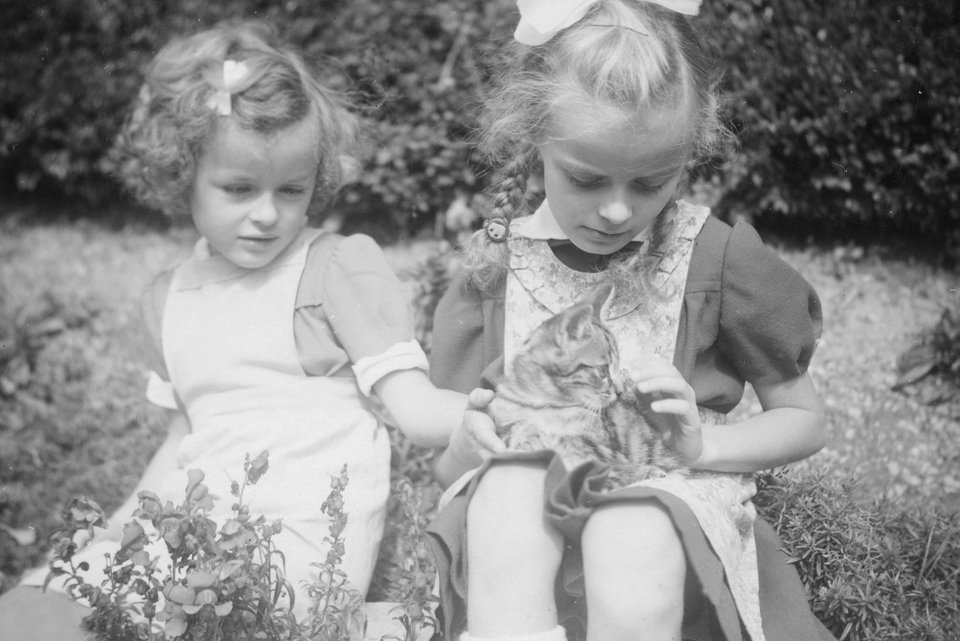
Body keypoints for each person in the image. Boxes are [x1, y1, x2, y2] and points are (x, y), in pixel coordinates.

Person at [0, 20, 470, 638]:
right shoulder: (169, 298)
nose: (268, 214)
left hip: (292, 546)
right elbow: (182, 436)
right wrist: (116, 528)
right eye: (239, 188)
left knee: (197, 620)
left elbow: (415, 409)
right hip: (189, 530)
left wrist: (511, 409)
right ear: (182, 172)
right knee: (36, 607)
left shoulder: (333, 267)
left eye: (292, 189)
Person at [425, 1, 837, 640]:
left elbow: (805, 419)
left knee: (629, 530)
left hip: (662, 520)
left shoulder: (711, 257)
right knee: (508, 494)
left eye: (650, 183)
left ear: (688, 153)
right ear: (535, 138)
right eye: (586, 179)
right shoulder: (499, 268)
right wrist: (466, 443)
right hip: (525, 545)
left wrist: (704, 446)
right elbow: (453, 471)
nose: (617, 211)